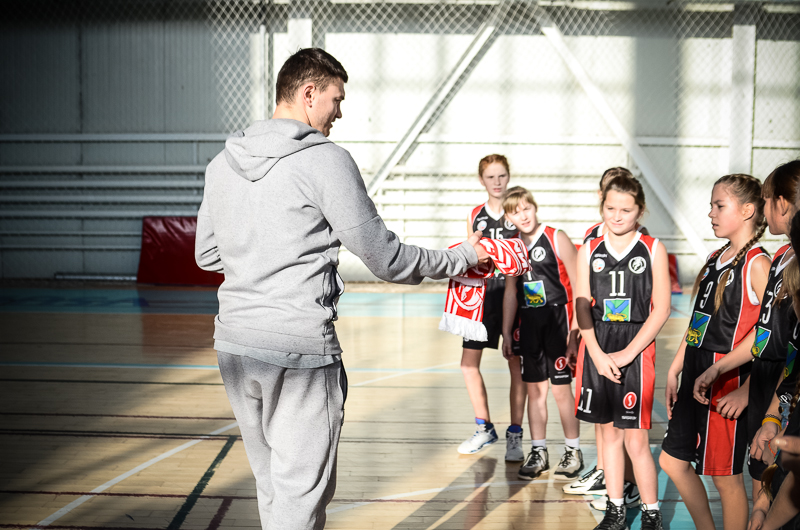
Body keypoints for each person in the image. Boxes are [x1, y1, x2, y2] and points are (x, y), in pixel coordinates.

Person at [195, 48, 488, 530]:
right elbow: (387, 259)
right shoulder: (325, 161)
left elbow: (207, 255)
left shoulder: (222, 164)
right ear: (309, 93)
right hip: (298, 349)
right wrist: (464, 257)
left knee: (273, 486)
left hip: (234, 346)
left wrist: (262, 252)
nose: (340, 112)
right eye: (337, 99)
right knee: (300, 496)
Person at [659, 174, 770, 530]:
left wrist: (747, 390)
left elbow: (770, 334)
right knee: (672, 461)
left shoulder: (757, 263)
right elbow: (699, 320)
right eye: (711, 205)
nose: (711, 213)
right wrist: (675, 367)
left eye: (719, 206)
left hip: (726, 378)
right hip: (697, 371)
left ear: (748, 210)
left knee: (725, 478)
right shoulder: (714, 258)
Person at [695, 161, 800, 506]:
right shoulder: (783, 256)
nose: (764, 207)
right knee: (761, 478)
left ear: (781, 204)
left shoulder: (769, 262)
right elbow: (764, 334)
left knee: (778, 482)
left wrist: (761, 397)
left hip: (784, 387)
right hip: (766, 382)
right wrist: (722, 369)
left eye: (766, 199)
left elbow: (791, 348)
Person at [574, 174, 671, 530]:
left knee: (636, 439)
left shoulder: (653, 248)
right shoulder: (589, 249)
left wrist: (629, 353)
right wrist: (597, 355)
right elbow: (581, 305)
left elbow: (661, 309)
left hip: (636, 347)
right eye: (610, 208)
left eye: (626, 210)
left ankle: (651, 513)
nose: (616, 216)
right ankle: (614, 510)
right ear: (602, 206)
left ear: (640, 211)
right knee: (609, 436)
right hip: (598, 344)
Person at [564, 167, 641, 511]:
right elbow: (582, 295)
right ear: (602, 198)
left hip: (623, 337)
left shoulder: (639, 243)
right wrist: (576, 334)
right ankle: (603, 471)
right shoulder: (592, 239)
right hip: (594, 335)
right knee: (599, 415)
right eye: (610, 198)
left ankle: (628, 483)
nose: (617, 212)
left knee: (624, 422)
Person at [500, 186, 583, 480]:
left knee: (561, 391)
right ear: (508, 218)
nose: (523, 215)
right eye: (516, 212)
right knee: (535, 391)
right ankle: (538, 451)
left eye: (527, 208)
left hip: (558, 321)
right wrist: (506, 332)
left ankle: (573, 450)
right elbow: (511, 291)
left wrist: (575, 332)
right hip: (530, 324)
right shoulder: (512, 246)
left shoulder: (556, 237)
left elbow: (580, 285)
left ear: (535, 207)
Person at [457, 155, 527, 460]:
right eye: (490, 177)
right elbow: (470, 257)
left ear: (509, 177)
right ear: (481, 180)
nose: (497, 182)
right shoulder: (475, 214)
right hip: (484, 296)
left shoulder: (518, 210)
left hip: (514, 295)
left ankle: (515, 433)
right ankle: (484, 427)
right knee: (468, 363)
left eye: (501, 176)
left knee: (515, 363)